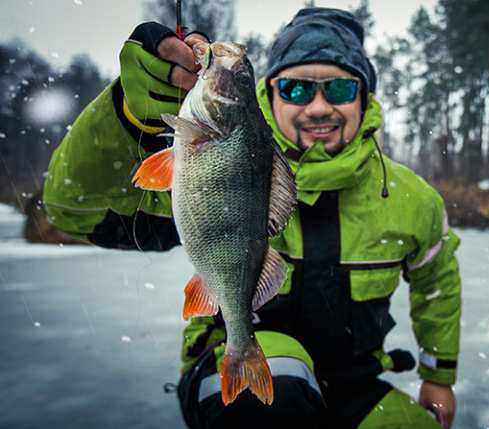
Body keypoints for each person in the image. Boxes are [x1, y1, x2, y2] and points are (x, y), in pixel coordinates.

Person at [43, 7, 461, 429]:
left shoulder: (413, 199)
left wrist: (439, 376)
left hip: (352, 386)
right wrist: (127, 119)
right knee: (277, 394)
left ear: (364, 95)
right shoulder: (215, 167)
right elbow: (72, 208)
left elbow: (437, 281)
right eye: (297, 90)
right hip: (237, 368)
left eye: (338, 88)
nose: (318, 107)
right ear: (270, 94)